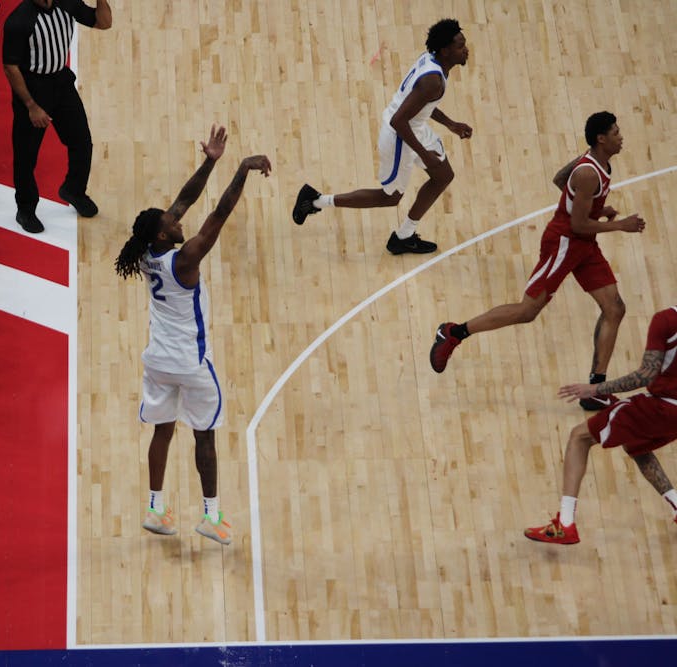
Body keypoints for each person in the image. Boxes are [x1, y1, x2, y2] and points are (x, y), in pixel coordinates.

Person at [114, 125, 271, 545]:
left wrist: (210, 161)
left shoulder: (148, 251)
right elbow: (217, 215)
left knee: (162, 431)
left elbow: (185, 199)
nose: (177, 218)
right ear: (166, 234)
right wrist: (239, 169)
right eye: (172, 222)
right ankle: (211, 515)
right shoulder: (184, 260)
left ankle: (155, 507)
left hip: (158, 360)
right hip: (190, 362)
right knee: (205, 435)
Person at [429, 112, 646, 410]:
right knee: (528, 310)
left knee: (615, 308)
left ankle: (595, 387)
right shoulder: (587, 173)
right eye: (616, 132)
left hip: (584, 245)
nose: (621, 137)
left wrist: (595, 206)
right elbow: (579, 224)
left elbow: (560, 180)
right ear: (601, 138)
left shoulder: (596, 164)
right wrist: (620, 225)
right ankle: (453, 333)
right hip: (565, 243)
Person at [292, 18, 472, 255]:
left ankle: (405, 236)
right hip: (400, 135)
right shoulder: (432, 80)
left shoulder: (433, 64)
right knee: (390, 197)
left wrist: (451, 124)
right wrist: (424, 155)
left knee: (443, 176)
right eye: (460, 46)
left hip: (414, 127)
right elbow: (400, 120)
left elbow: (421, 105)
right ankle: (314, 200)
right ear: (446, 50)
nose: (466, 49)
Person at [524, 305, 677, 544]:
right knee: (636, 444)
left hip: (662, 406)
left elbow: (645, 375)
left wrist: (596, 388)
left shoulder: (666, 320)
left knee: (579, 437)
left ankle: (565, 523)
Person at [2, 0, 112, 234]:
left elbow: (104, 23)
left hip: (61, 82)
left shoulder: (67, 3)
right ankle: (26, 209)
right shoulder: (19, 20)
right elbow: (11, 67)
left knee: (82, 142)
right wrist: (31, 105)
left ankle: (74, 189)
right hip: (32, 88)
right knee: (26, 155)